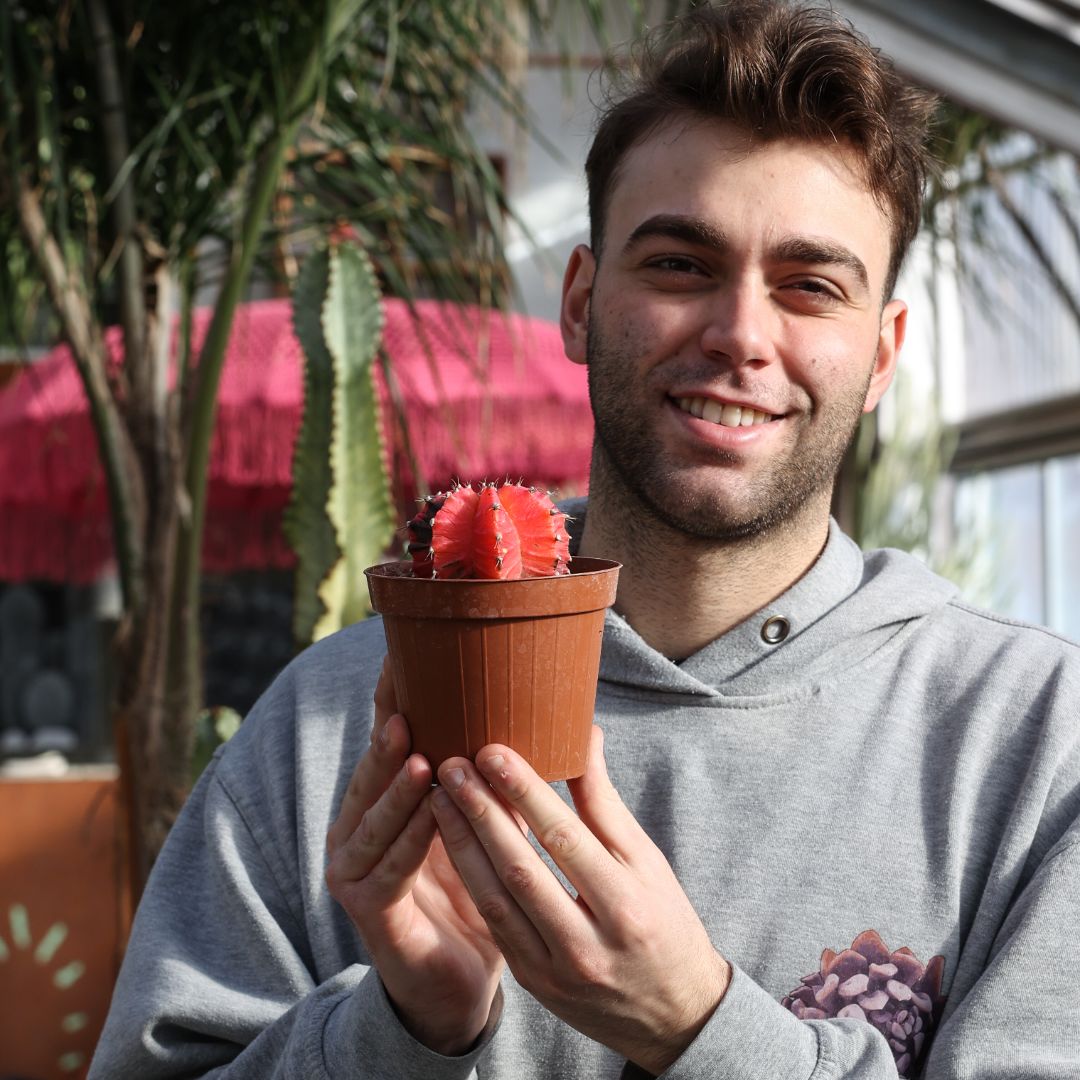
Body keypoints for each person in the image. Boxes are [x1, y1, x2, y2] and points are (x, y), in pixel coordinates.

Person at [90, 3, 1080, 1078]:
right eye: (678, 265)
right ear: (579, 300)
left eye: (810, 287)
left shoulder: (1034, 749)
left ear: (883, 353)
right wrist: (404, 1031)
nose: (742, 334)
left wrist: (699, 1027)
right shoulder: (339, 730)